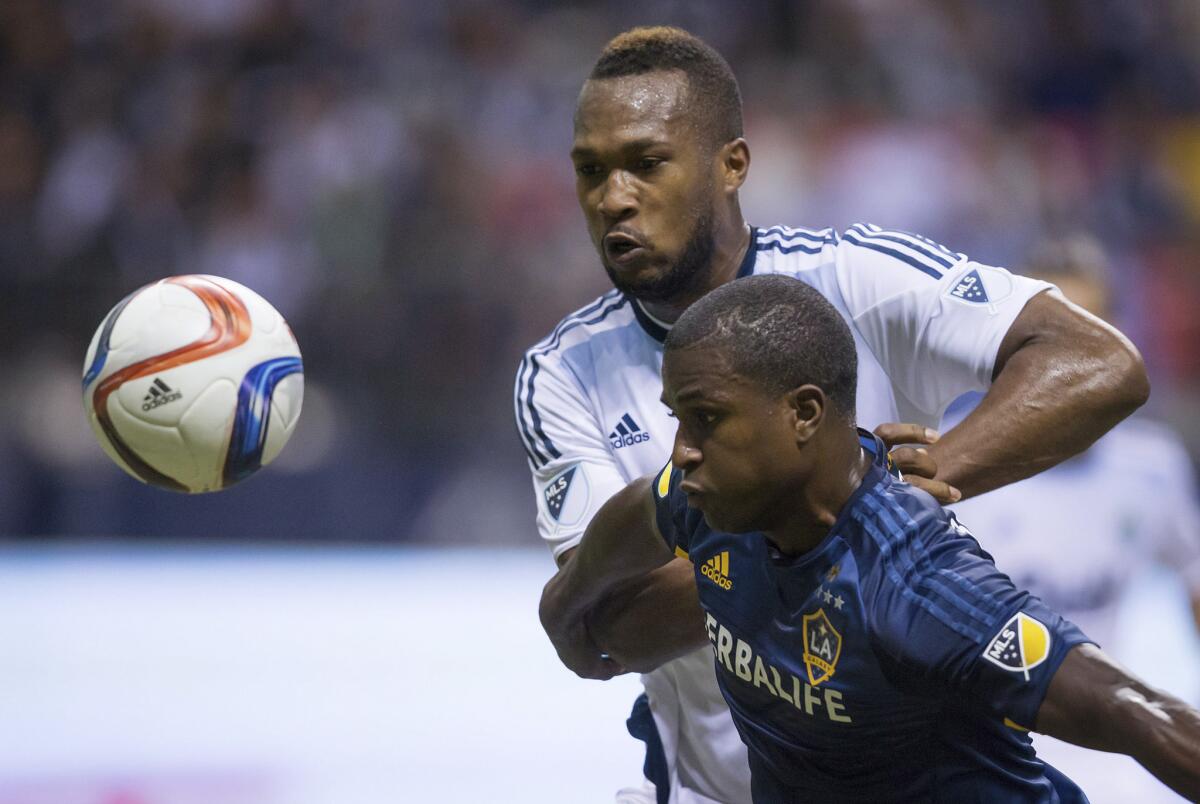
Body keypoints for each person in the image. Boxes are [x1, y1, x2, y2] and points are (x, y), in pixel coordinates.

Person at [515, 27, 1148, 804]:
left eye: (646, 164)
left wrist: (917, 486)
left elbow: (1101, 364)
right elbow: (612, 631)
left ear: (732, 165)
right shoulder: (560, 374)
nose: (614, 197)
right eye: (590, 171)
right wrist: (830, 532)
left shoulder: (855, 277)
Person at [541, 274, 1200, 803]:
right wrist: (566, 605)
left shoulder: (918, 585)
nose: (681, 452)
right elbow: (639, 511)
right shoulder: (712, 498)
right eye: (679, 421)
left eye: (705, 420)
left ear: (804, 413)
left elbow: (1135, 712)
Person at [946, 234, 1200, 802]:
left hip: (1116, 754)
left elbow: (1193, 580)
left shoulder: (1154, 467)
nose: (1075, 361)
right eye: (1055, 338)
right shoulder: (949, 472)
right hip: (992, 762)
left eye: (1093, 328)